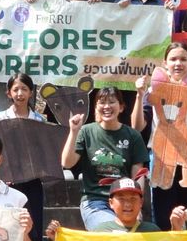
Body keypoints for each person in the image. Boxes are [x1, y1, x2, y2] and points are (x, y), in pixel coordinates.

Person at [132, 43, 187, 227]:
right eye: (173, 59)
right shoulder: (153, 92)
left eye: (183, 59)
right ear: (164, 63)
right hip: (161, 158)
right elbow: (138, 126)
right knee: (163, 212)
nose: (178, 63)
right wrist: (139, 94)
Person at [0, 72, 49, 241]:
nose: (20, 93)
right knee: (4, 231)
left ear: (31, 92)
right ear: (8, 93)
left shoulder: (39, 120)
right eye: (15, 89)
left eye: (24, 89)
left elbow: (45, 150)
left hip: (33, 182)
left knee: (32, 229)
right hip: (7, 182)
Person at [62, 87, 146, 229]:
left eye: (112, 102)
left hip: (124, 200)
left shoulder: (133, 136)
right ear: (96, 107)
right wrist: (73, 132)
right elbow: (67, 163)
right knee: (112, 231)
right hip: (95, 201)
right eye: (102, 103)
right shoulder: (86, 131)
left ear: (121, 107)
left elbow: (138, 175)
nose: (107, 106)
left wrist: (136, 205)